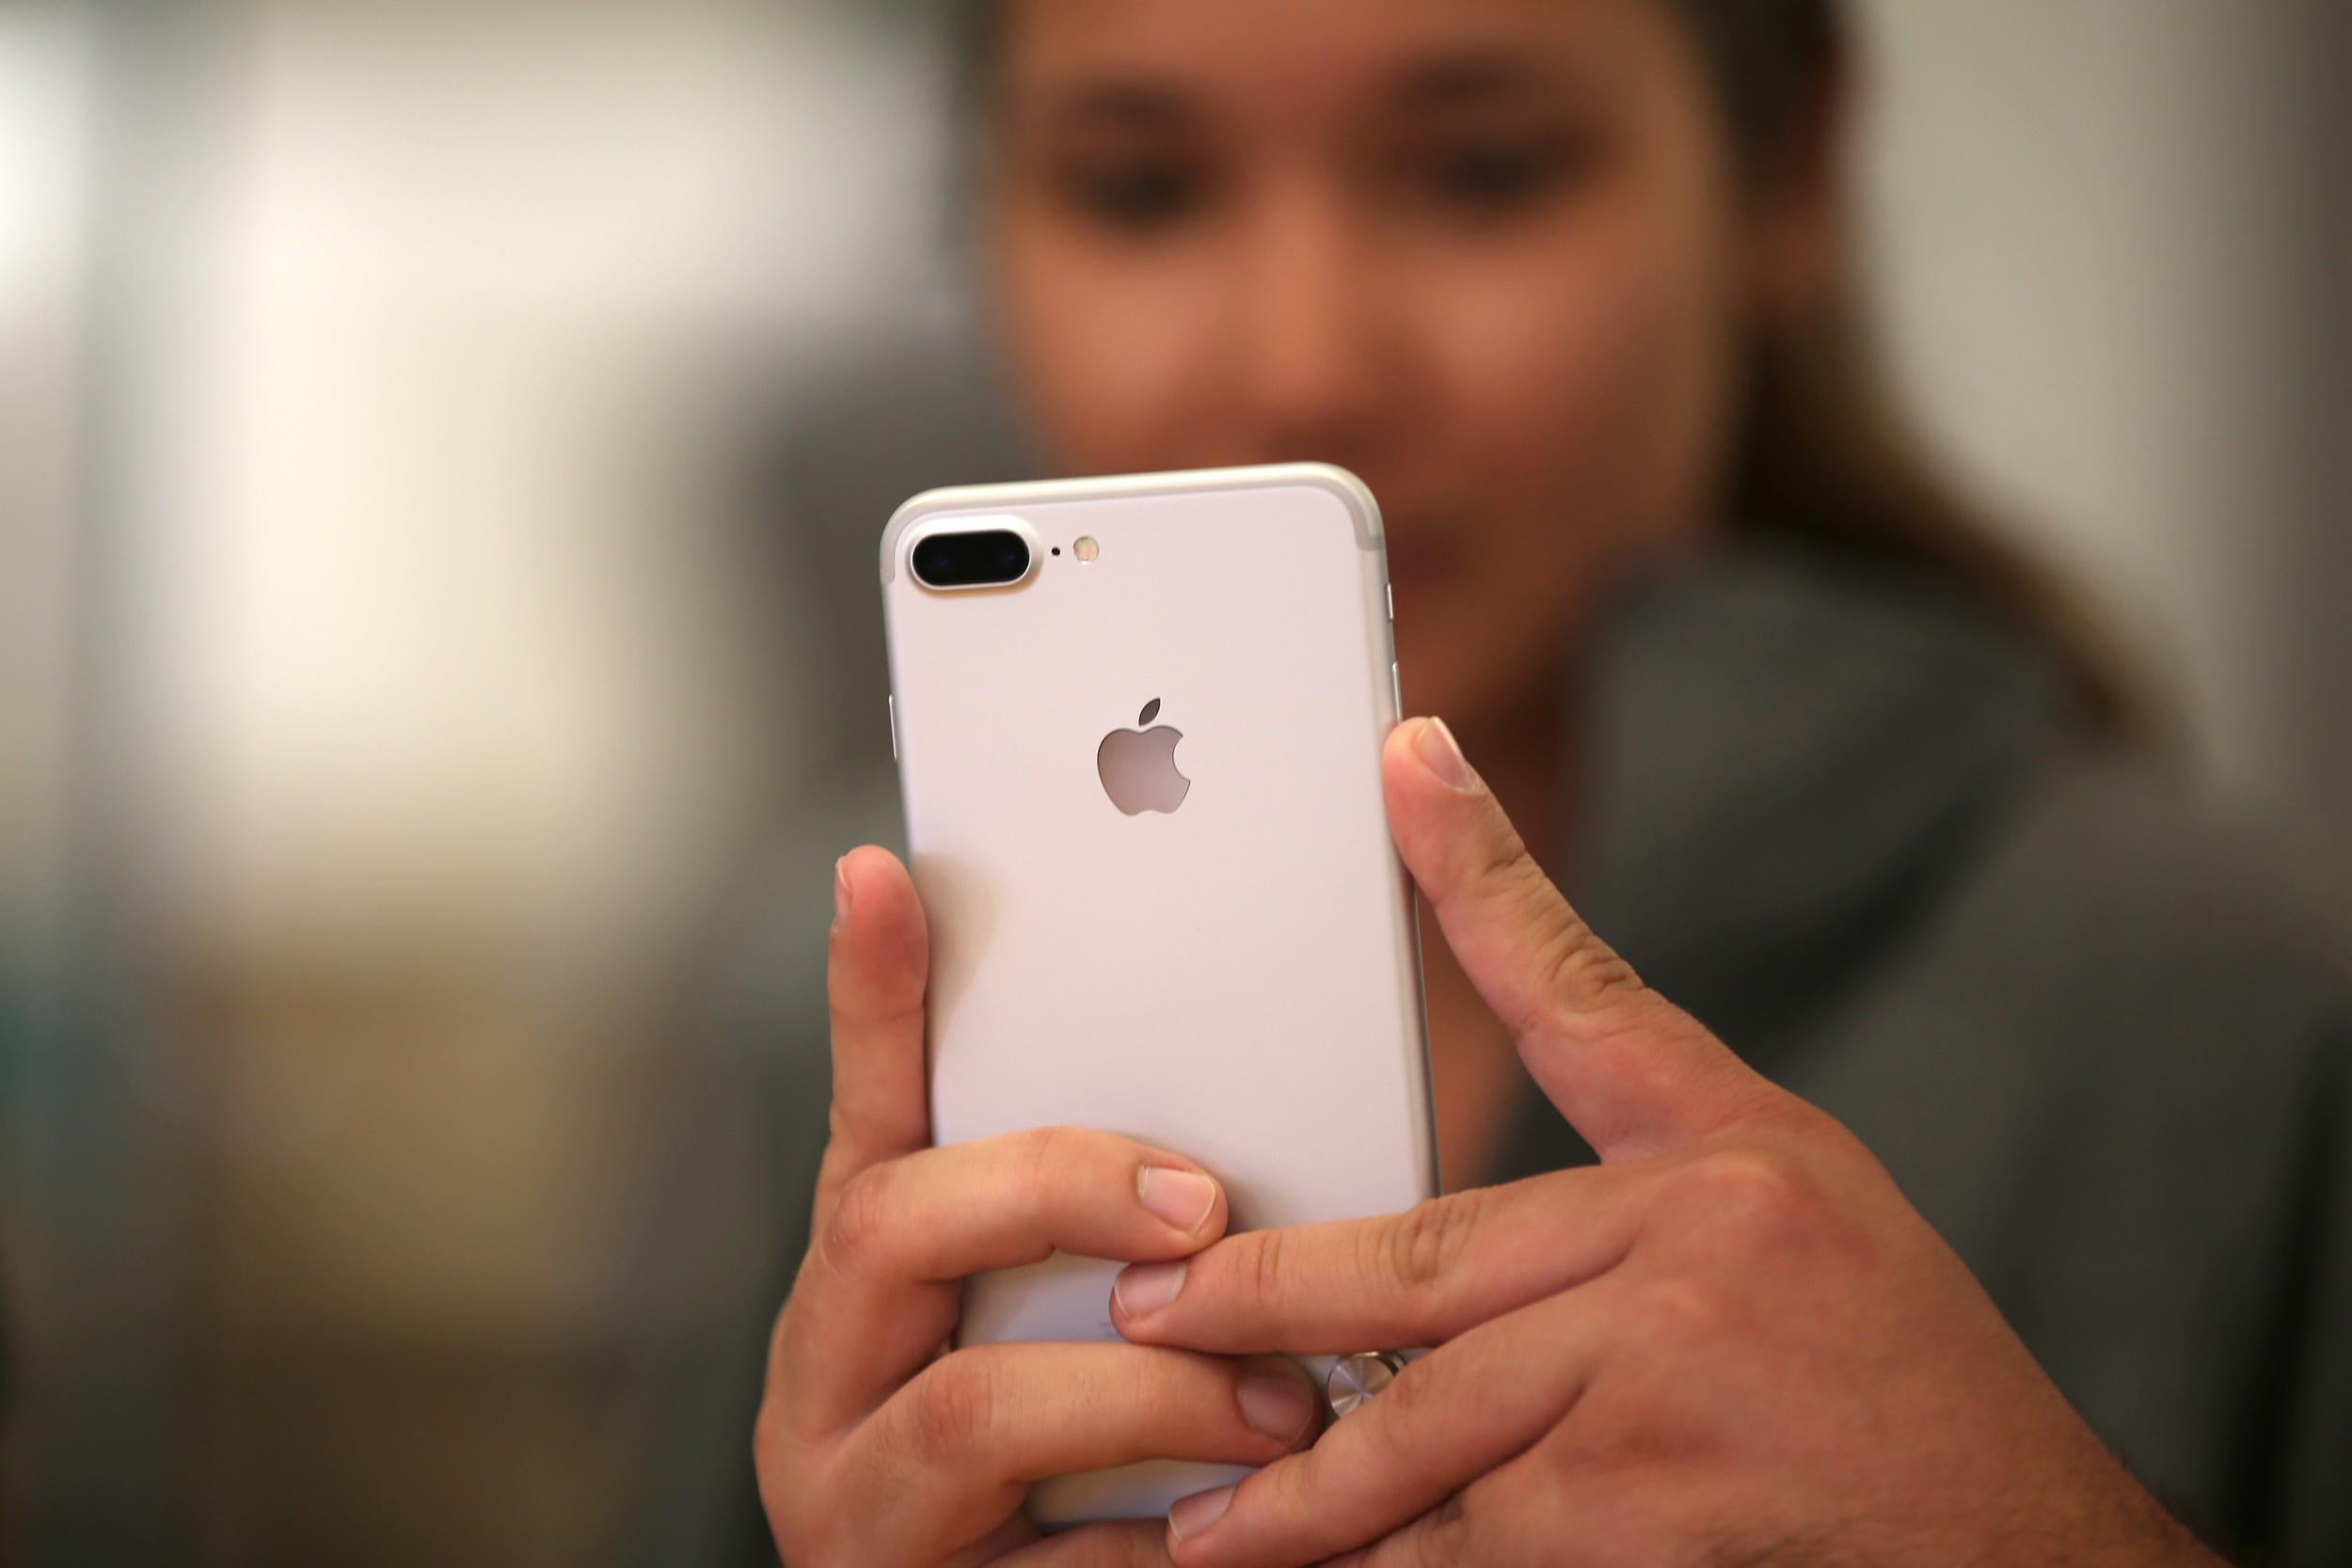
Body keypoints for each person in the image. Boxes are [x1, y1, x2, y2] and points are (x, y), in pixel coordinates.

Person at [750, 1, 2352, 1563]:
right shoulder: (845, 1013)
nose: (1306, 364)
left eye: (1483, 171)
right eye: (1143, 191)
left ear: (1784, 172)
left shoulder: (2245, 1006)